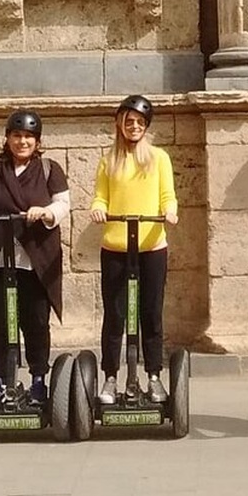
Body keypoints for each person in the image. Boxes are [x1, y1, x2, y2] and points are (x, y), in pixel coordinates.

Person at [0, 110, 70, 405]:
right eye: (17, 135)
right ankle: (1, 380)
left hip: (35, 261)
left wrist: (46, 212)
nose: (22, 142)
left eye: (28, 137)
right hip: (0, 260)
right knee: (2, 321)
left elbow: (63, 203)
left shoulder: (49, 169)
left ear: (37, 141)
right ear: (7, 138)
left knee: (36, 320)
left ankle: (38, 380)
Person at [89, 95, 178, 404]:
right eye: (129, 122)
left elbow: (168, 195)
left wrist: (170, 211)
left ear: (146, 126)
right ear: (120, 124)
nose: (134, 127)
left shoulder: (159, 158)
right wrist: (98, 209)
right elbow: (101, 196)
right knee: (115, 315)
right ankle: (111, 377)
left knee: (151, 313)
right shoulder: (108, 160)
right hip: (115, 246)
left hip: (152, 245)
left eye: (140, 122)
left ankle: (153, 375)